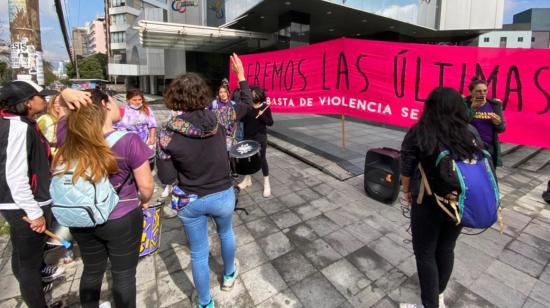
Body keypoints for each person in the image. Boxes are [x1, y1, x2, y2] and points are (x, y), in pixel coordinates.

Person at [157, 54, 249, 308]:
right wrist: (241, 76)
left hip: (190, 199)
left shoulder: (166, 132)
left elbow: (166, 177)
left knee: (198, 253)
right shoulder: (221, 118)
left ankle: (205, 302)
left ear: (175, 98)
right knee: (226, 233)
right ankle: (229, 276)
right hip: (222, 194)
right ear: (203, 95)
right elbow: (246, 103)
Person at [55, 89, 154, 308]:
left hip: (81, 216)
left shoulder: (67, 135)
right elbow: (146, 186)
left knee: (91, 270)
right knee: (124, 275)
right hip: (122, 217)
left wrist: (65, 92)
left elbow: (61, 108)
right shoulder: (129, 140)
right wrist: (142, 200)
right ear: (105, 105)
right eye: (112, 99)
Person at [0, 80, 90, 308]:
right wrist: (34, 212)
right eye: (39, 96)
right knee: (29, 265)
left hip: (23, 203)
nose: (45, 99)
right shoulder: (18, 128)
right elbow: (14, 175)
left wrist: (66, 92)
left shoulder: (22, 122)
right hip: (24, 205)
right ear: (28, 102)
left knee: (24, 257)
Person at [400, 87, 484, 308]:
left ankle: (430, 304)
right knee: (446, 248)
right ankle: (438, 295)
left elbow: (406, 168)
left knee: (425, 253)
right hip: (459, 203)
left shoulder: (419, 131)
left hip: (427, 202)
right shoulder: (470, 132)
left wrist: (407, 191)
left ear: (430, 107)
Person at [237, 86, 274, 197]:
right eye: (252, 94)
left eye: (255, 95)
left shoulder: (265, 108)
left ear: (260, 95)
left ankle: (267, 183)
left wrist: (262, 116)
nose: (253, 96)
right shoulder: (248, 107)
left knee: (262, 158)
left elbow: (270, 122)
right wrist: (240, 112)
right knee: (247, 158)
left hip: (260, 137)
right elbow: (242, 119)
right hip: (248, 136)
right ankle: (247, 179)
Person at [464, 78, 505, 168]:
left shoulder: (494, 105)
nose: (482, 94)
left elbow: (502, 129)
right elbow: (461, 122)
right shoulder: (464, 104)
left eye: (485, 91)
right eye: (478, 91)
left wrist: (498, 123)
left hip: (488, 149)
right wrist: (473, 109)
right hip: (469, 148)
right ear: (470, 92)